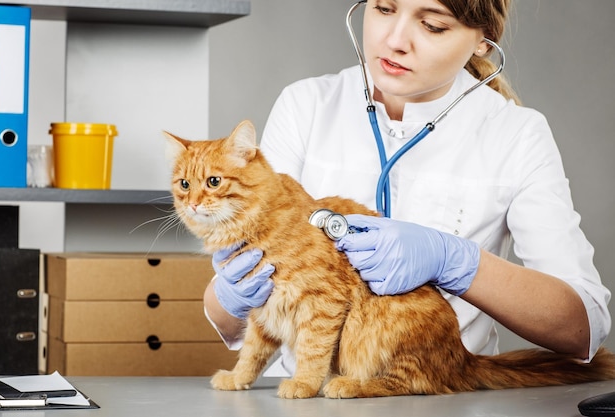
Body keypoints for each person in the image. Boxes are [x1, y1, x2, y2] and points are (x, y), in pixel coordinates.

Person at [203, 0, 611, 375]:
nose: (395, 41)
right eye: (383, 8)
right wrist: (229, 294)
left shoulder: (517, 133)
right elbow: (228, 319)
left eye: (433, 26)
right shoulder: (306, 106)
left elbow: (582, 330)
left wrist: (455, 262)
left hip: (437, 396)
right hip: (304, 398)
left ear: (483, 43)